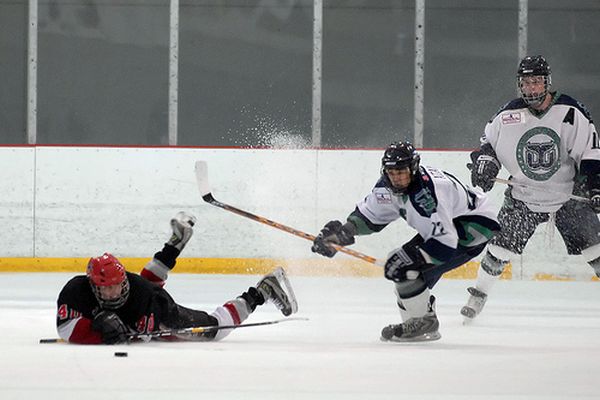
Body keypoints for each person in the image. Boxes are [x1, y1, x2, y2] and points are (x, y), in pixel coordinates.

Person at [311, 142, 500, 342]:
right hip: (449, 227)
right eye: (392, 172)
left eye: (401, 172)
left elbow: (445, 244)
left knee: (404, 267)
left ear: (414, 167)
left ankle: (424, 322)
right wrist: (343, 233)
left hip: (474, 227)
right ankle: (418, 322)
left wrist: (413, 258)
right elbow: (370, 217)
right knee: (404, 271)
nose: (397, 178)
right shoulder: (386, 186)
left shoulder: (427, 195)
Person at [462, 55, 600, 322]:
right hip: (524, 196)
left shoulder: (571, 112)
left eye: (536, 82)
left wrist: (596, 186)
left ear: (547, 83)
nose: (531, 88)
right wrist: (486, 164)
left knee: (596, 250)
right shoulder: (508, 115)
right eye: (526, 83)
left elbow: (591, 153)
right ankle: (478, 295)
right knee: (499, 250)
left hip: (567, 196)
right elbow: (487, 146)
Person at [56, 211, 298, 344]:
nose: (113, 292)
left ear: (124, 281)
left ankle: (262, 291)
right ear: (93, 286)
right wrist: (96, 329)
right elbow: (66, 329)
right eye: (106, 289)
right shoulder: (75, 290)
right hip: (144, 297)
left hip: (158, 308)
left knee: (214, 329)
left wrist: (110, 333)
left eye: (118, 286)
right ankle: (174, 245)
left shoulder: (150, 303)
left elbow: (147, 301)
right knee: (146, 286)